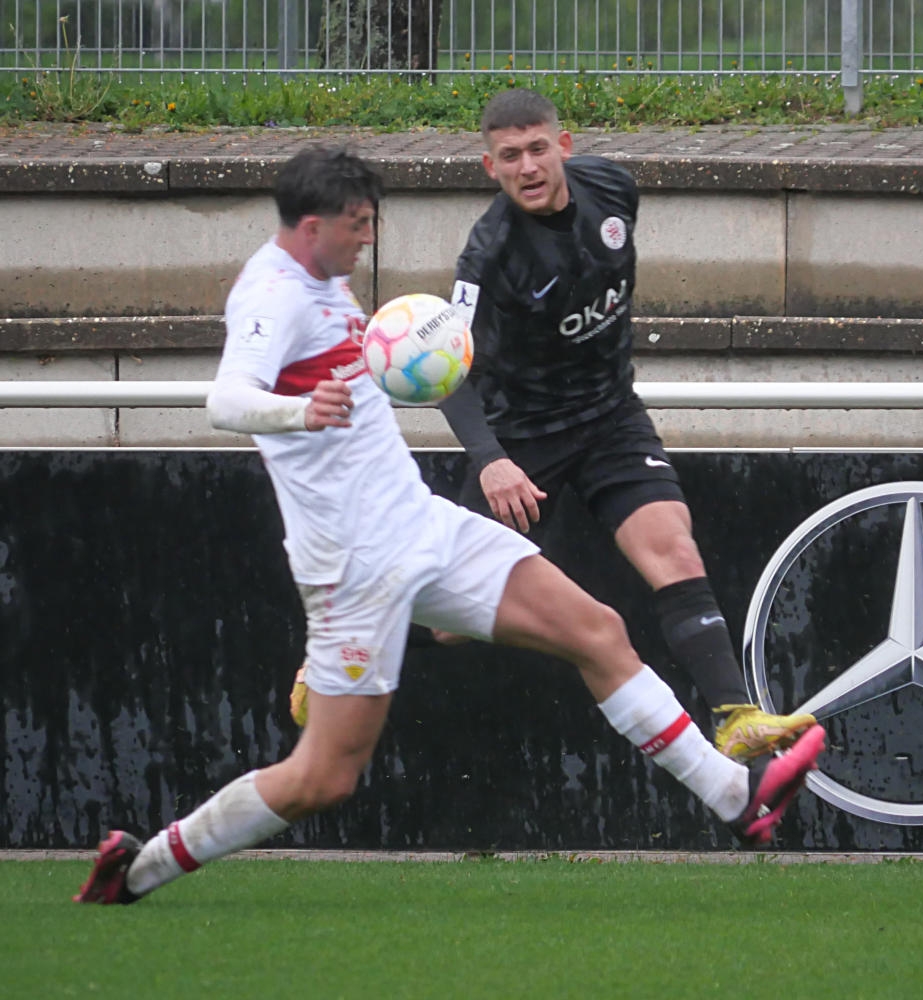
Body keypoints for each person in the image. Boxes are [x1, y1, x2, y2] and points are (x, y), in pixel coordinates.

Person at [74, 146, 826, 905]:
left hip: (421, 525)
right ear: (312, 226)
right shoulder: (273, 296)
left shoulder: (326, 282)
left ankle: (735, 796)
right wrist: (299, 411)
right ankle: (142, 868)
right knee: (323, 778)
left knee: (597, 631)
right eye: (357, 226)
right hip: (354, 566)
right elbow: (225, 401)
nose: (367, 239)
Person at [431, 87, 814, 763]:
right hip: (523, 439)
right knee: (453, 628)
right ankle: (351, 632)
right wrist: (491, 458)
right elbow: (446, 370)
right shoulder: (488, 256)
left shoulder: (614, 189)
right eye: (510, 156)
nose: (528, 166)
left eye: (538, 149)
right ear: (490, 167)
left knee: (673, 547)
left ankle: (734, 716)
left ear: (565, 146)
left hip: (610, 418)